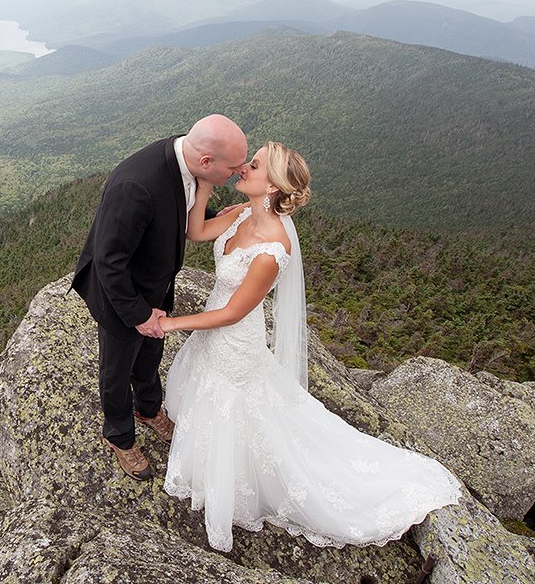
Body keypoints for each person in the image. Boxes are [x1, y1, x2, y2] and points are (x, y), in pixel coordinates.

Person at [160, 141, 462, 551]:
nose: (244, 168)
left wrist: (172, 323)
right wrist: (206, 188)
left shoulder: (273, 249)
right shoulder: (244, 213)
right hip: (215, 335)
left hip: (234, 339)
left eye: (255, 165)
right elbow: (196, 231)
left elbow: (233, 313)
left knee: (239, 407)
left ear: (272, 187)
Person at [72, 115, 248, 480]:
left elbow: (171, 212)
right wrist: (138, 313)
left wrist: (215, 214)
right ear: (206, 163)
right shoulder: (137, 184)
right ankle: (119, 436)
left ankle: (149, 409)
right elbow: (109, 262)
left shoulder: (184, 161)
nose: (238, 173)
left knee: (150, 351)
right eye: (232, 169)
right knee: (116, 369)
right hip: (119, 293)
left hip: (155, 283)